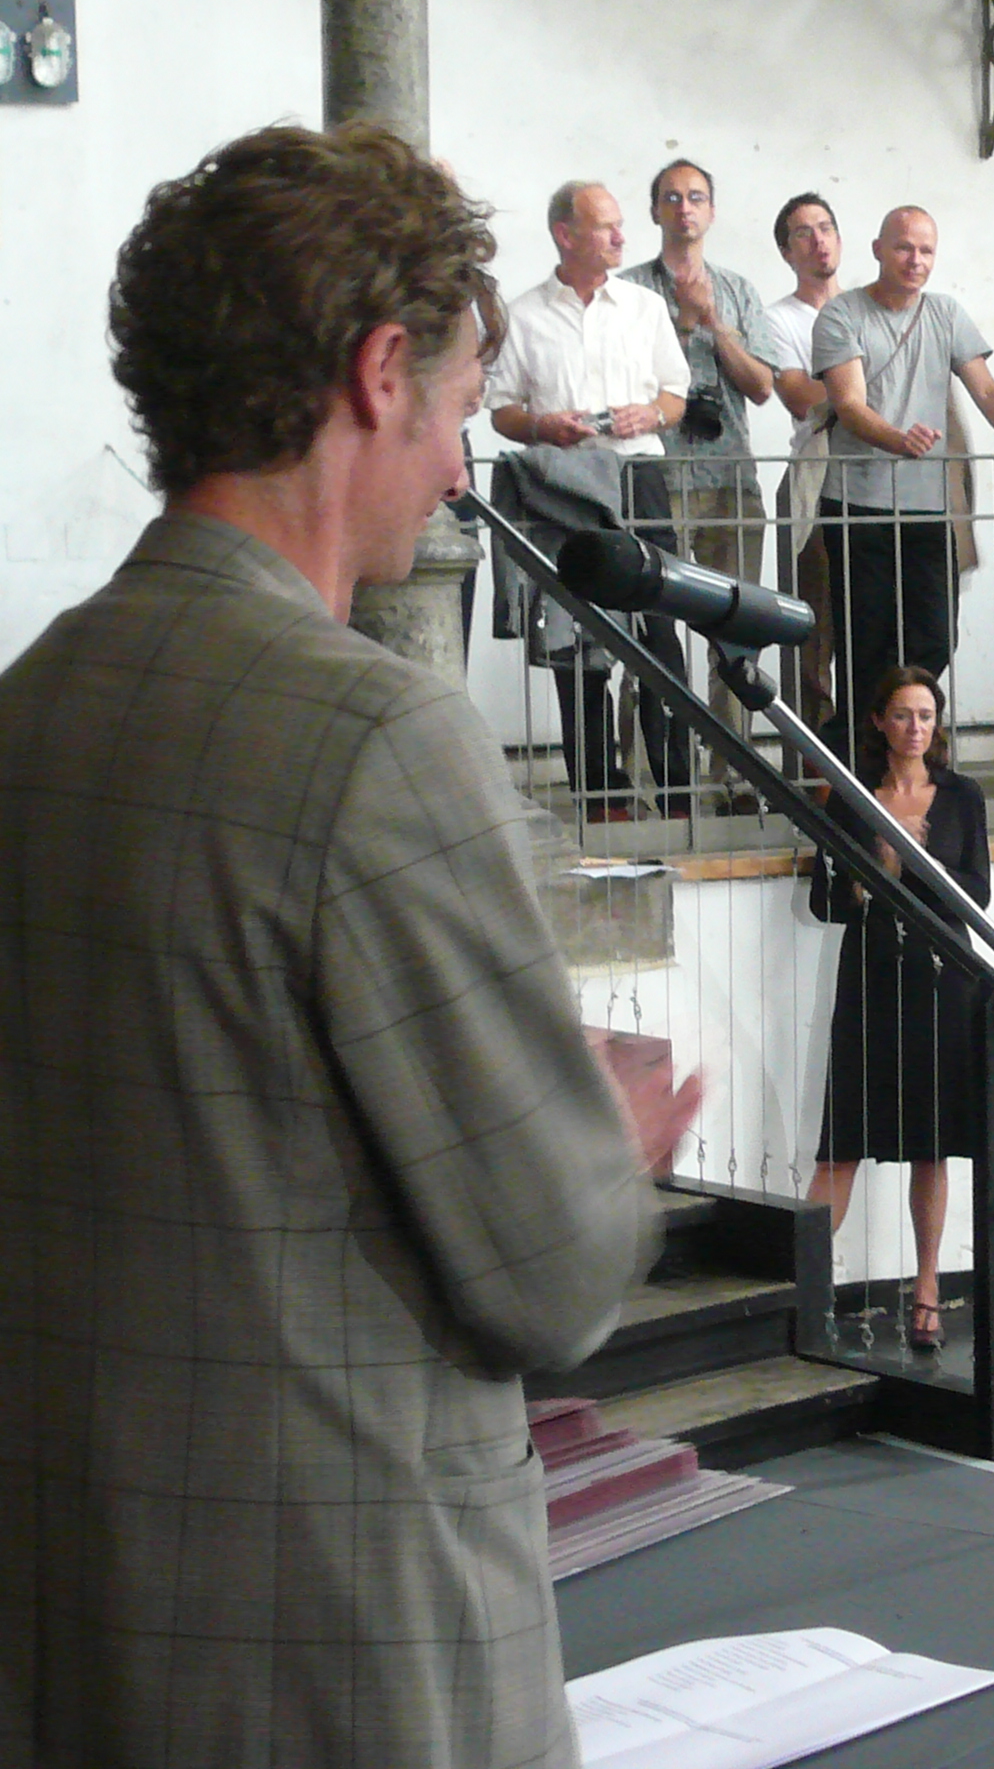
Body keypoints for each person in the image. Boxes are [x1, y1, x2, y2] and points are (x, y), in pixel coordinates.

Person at [0, 121, 683, 1761]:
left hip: (79, 1614)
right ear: (379, 372)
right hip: (347, 1639)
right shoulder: (378, 738)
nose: (461, 466)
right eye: (456, 408)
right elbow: (549, 1268)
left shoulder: (34, 707)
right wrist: (610, 1135)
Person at [810, 207, 994, 748]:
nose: (915, 260)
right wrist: (896, 439)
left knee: (936, 635)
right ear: (877, 249)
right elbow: (850, 404)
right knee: (865, 641)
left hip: (928, 509)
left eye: (926, 250)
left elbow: (987, 390)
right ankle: (861, 753)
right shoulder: (841, 315)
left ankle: (901, 738)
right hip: (859, 505)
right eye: (903, 247)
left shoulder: (946, 313)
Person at [805, 668, 994, 1350]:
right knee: (843, 1142)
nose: (916, 727)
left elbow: (976, 893)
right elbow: (823, 902)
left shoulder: (960, 797)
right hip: (870, 979)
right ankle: (807, 1293)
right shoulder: (851, 801)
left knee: (932, 1144)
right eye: (903, 715)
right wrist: (877, 873)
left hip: (943, 982)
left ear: (936, 725)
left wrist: (915, 860)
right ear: (880, 723)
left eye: (926, 715)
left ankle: (926, 1292)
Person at [487, 178, 694, 820]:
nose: (621, 237)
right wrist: (543, 426)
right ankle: (600, 794)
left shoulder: (644, 306)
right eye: (606, 226)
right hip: (564, 487)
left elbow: (677, 393)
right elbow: (501, 410)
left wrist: (649, 415)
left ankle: (678, 792)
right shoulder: (522, 314)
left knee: (661, 631)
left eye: (619, 225)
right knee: (577, 637)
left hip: (638, 476)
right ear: (565, 235)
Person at [623, 157, 779, 790]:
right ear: (655, 210)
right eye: (671, 197)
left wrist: (713, 324)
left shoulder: (738, 289)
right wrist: (678, 324)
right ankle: (647, 779)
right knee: (648, 634)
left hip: (729, 479)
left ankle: (733, 774)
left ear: (711, 211)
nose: (684, 208)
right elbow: (621, 382)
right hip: (653, 482)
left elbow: (763, 386)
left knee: (734, 631)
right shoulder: (628, 291)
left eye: (695, 198)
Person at [758, 192, 846, 737]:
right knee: (812, 627)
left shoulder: (866, 308)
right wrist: (860, 396)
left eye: (825, 227)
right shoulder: (778, 319)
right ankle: (814, 762)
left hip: (880, 475)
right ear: (787, 253)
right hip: (816, 476)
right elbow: (799, 396)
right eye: (802, 233)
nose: (817, 240)